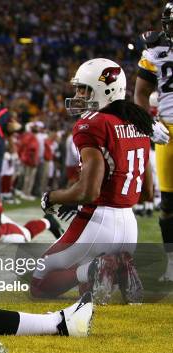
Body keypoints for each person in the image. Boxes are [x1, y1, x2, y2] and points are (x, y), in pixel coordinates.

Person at [36, 58, 155, 303]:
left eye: (84, 89)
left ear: (105, 90)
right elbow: (147, 193)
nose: (78, 94)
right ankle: (118, 267)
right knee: (86, 292)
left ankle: (93, 268)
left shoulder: (93, 124)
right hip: (128, 228)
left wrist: (53, 197)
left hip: (97, 223)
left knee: (39, 281)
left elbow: (89, 191)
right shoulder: (139, 123)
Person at [134, 3, 173, 281]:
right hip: (169, 131)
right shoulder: (155, 51)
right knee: (169, 204)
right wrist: (149, 123)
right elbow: (140, 94)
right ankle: (172, 265)